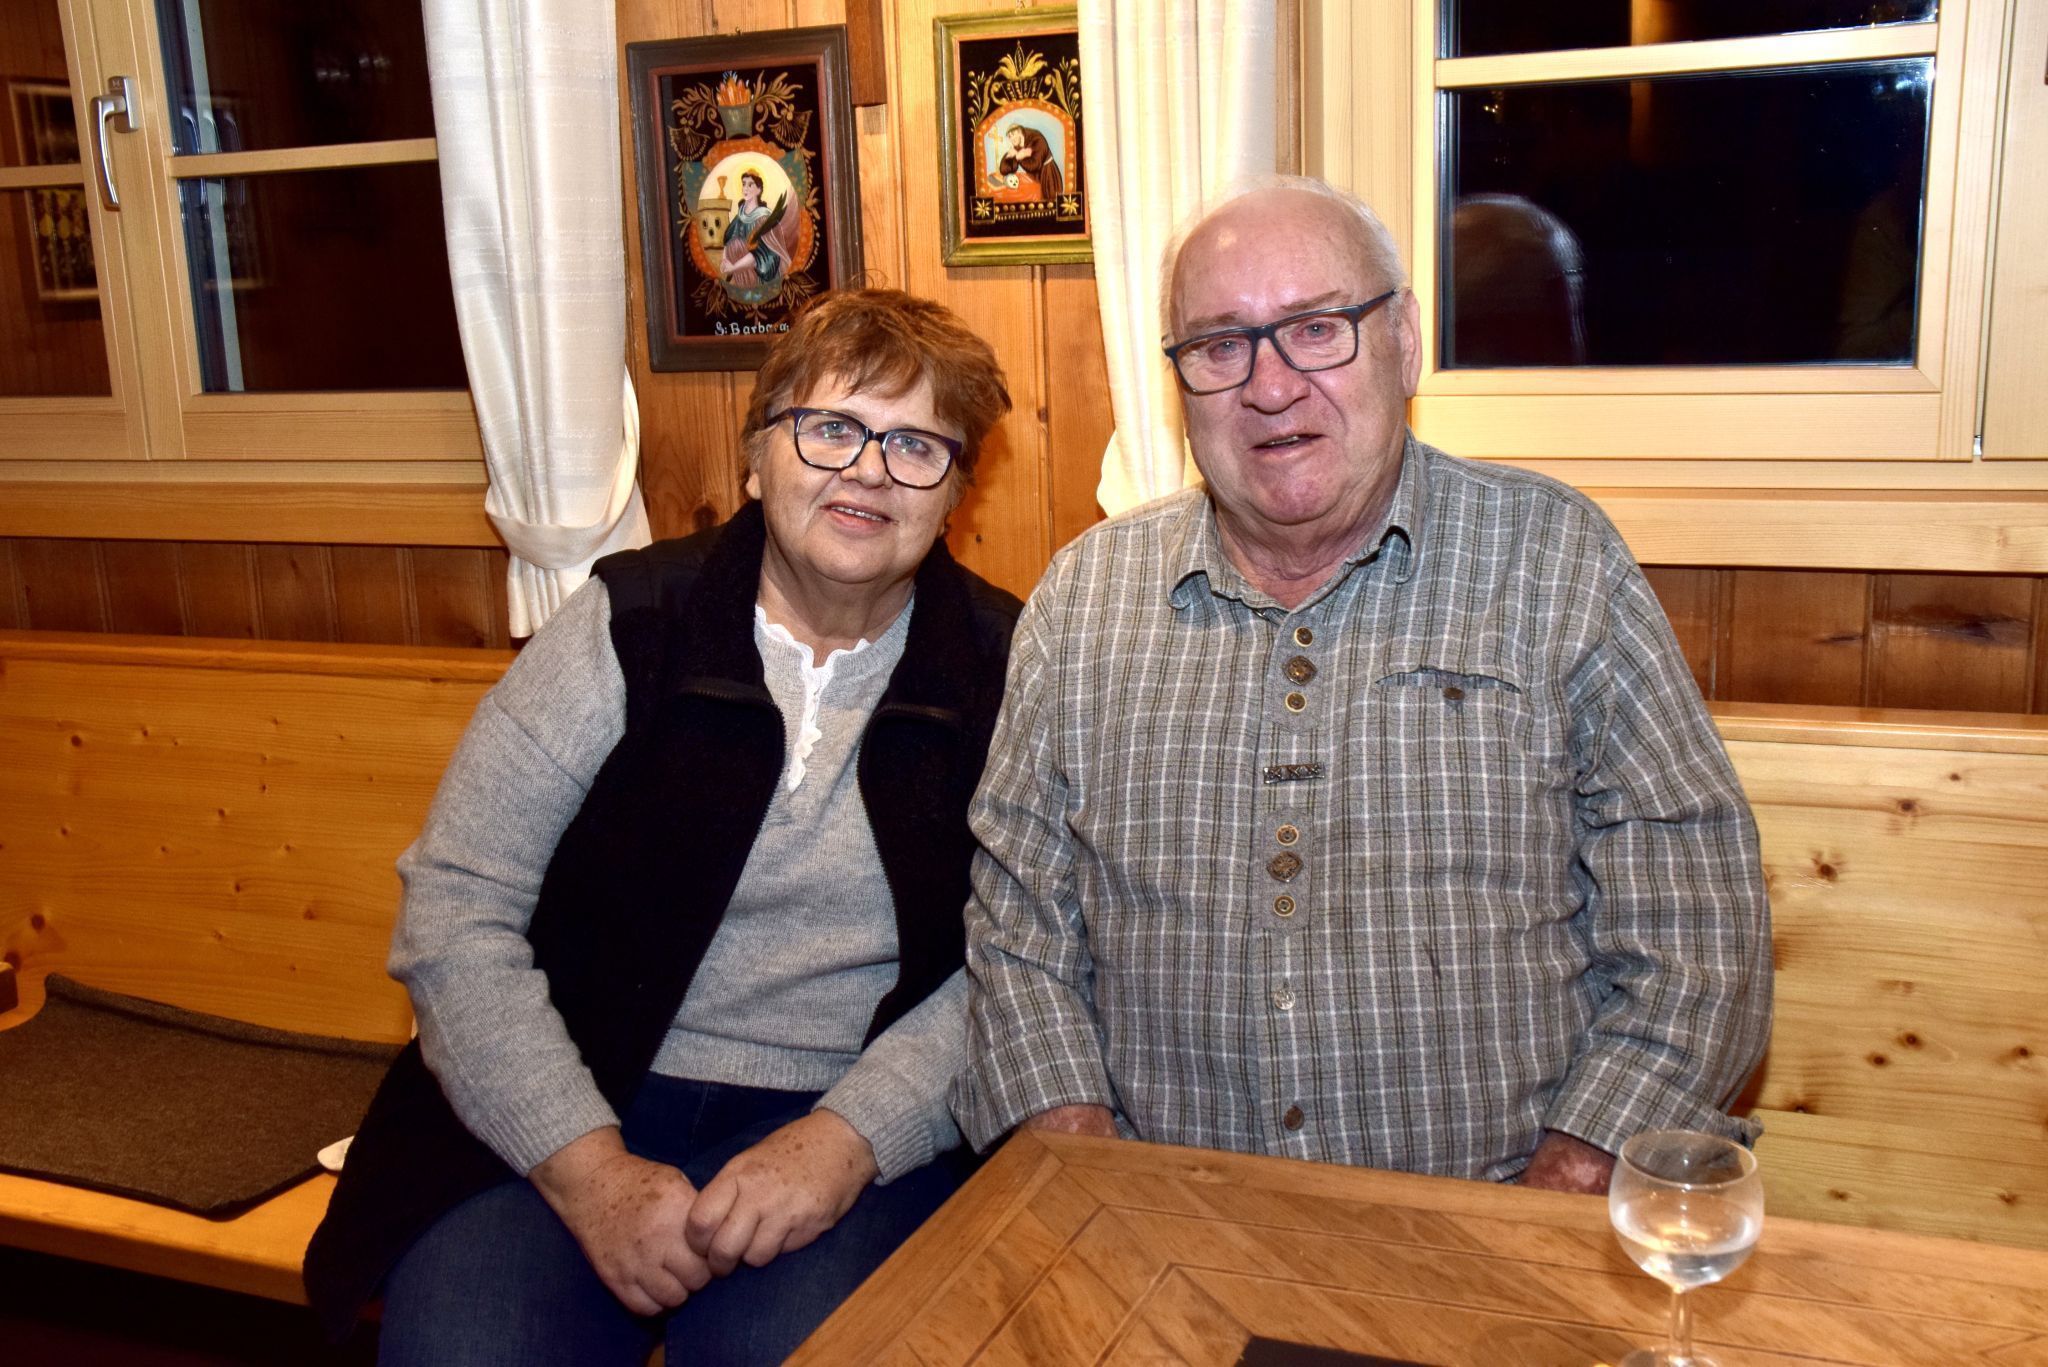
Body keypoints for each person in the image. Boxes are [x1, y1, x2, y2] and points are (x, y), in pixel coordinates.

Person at [954, 177, 1771, 1195]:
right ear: (1179, 381)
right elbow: (1017, 926)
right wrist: (1089, 1174)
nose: (1269, 387)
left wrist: (1552, 1205)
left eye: (1315, 329)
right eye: (1220, 345)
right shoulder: (1083, 599)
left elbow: (1697, 931)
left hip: (1497, 1226)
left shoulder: (1555, 562)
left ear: (1404, 341)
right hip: (1166, 1221)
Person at [304, 289, 1021, 1364]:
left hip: (848, 1124)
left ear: (956, 492)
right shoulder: (627, 624)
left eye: (917, 445)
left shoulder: (1004, 666)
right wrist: (586, 1166)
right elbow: (457, 909)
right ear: (757, 457)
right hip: (571, 1094)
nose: (868, 470)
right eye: (830, 427)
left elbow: (1014, 957)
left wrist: (847, 1139)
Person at [720, 169, 793, 290]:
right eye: (744, 184)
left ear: (759, 190)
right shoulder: (741, 215)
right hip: (741, 272)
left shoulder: (763, 218)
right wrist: (724, 259)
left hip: (759, 274)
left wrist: (733, 268)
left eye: (750, 185)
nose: (745, 188)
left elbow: (761, 255)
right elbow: (728, 238)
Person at [994, 124, 1063, 201]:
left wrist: (1018, 157)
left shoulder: (1037, 140)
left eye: (1013, 134)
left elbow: (1034, 166)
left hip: (1048, 174)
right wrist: (1007, 158)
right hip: (1035, 178)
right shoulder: (1017, 144)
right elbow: (1005, 170)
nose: (1012, 139)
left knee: (1050, 201)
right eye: (1009, 136)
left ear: (1019, 131)